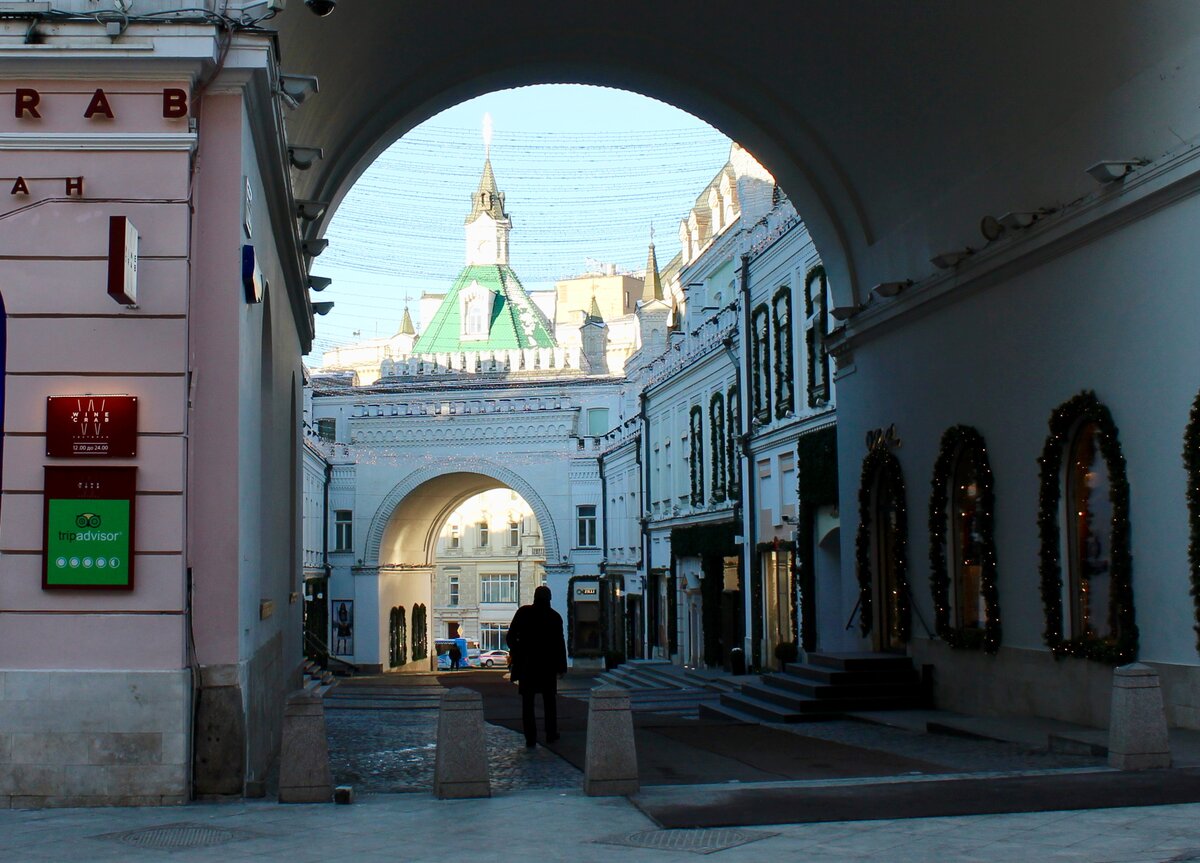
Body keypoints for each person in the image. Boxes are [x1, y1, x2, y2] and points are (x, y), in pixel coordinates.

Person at [506, 585, 567, 747]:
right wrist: (562, 667)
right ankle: (551, 733)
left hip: (527, 665)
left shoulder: (523, 613)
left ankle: (530, 737)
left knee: (528, 703)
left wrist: (517, 652)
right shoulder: (554, 617)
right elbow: (560, 644)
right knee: (549, 701)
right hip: (547, 666)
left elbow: (510, 637)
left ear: (534, 597)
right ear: (549, 598)